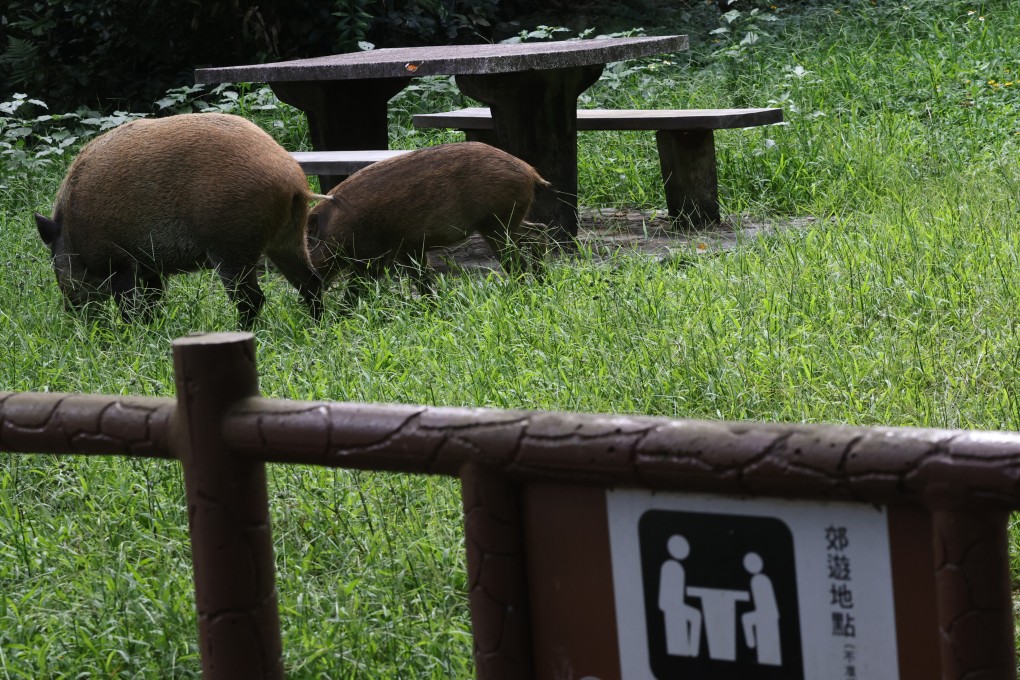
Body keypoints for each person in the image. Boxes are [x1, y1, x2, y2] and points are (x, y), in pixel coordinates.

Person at [658, 534, 703, 656]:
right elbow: (664, 596)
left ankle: (693, 652)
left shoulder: (679, 568)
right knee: (695, 616)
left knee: (696, 615)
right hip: (671, 607)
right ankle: (692, 653)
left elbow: (681, 592)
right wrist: (670, 607)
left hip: (678, 605)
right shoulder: (668, 566)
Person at [741, 551, 782, 665]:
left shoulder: (759, 580)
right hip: (768, 616)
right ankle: (751, 644)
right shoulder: (760, 579)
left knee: (746, 619)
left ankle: (751, 644)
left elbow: (767, 604)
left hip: (766, 616)